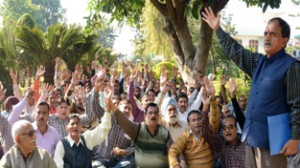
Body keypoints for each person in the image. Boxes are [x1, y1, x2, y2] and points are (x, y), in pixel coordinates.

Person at [202, 7, 300, 167]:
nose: (267, 37)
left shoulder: (292, 67)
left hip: (273, 143)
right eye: (266, 33)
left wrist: (295, 138)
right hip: (251, 137)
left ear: (284, 40)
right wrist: (217, 29)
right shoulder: (258, 62)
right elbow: (236, 52)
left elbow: (298, 105)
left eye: (273, 34)